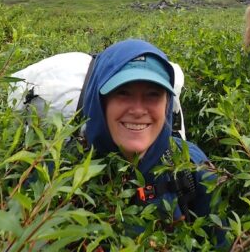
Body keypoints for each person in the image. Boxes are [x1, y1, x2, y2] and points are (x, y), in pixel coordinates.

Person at [81, 38, 218, 226]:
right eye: (123, 92)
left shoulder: (194, 169)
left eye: (153, 94)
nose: (138, 110)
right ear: (99, 102)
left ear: (167, 104)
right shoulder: (58, 171)